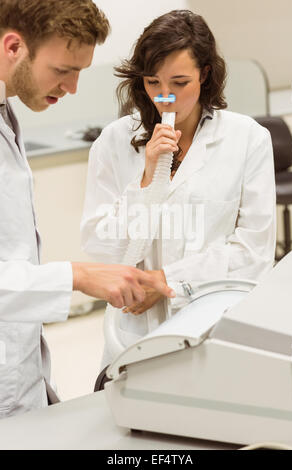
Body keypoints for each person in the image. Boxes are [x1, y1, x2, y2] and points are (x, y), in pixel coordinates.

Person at [0, 0, 175, 418]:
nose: (73, 87)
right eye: (63, 71)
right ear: (13, 47)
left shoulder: (7, 112)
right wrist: (77, 275)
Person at [81, 10, 276, 367]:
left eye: (179, 83)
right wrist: (146, 179)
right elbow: (101, 248)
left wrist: (168, 280)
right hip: (133, 333)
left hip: (214, 323)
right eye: (153, 82)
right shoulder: (114, 142)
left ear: (205, 74)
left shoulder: (247, 139)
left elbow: (254, 252)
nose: (165, 98)